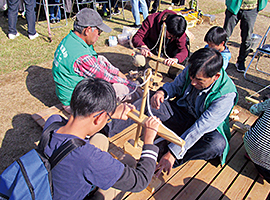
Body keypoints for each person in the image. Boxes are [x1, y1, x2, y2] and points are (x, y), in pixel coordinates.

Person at [106, 48, 238, 175]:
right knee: (148, 100)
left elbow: (200, 128)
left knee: (216, 144)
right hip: (181, 114)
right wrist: (162, 92)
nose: (192, 83)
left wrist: (173, 153)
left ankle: (164, 156)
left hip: (203, 130)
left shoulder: (226, 95)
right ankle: (106, 130)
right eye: (191, 78)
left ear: (216, 76)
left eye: (199, 80)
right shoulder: (193, 69)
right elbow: (175, 86)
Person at [43, 78, 160, 199]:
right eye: (106, 117)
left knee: (100, 139)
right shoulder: (90, 158)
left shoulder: (53, 121)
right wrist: (149, 140)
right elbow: (141, 181)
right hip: (78, 192)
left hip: (55, 184)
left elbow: (81, 129)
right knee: (129, 162)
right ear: (98, 118)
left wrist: (110, 114)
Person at [52, 8, 140, 113]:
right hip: (74, 102)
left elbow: (98, 62)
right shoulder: (82, 57)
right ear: (88, 30)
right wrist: (130, 84)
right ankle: (139, 99)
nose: (99, 35)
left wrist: (119, 73)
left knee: (101, 59)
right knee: (119, 89)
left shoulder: (72, 39)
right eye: (99, 31)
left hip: (70, 89)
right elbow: (105, 77)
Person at [132, 10, 189, 77]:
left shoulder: (178, 29)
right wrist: (142, 46)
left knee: (182, 58)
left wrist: (176, 59)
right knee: (138, 59)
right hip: (150, 48)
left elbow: (184, 51)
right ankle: (143, 68)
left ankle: (172, 74)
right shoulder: (151, 20)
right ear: (165, 25)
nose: (170, 38)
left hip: (168, 50)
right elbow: (136, 37)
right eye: (170, 36)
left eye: (173, 37)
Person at [244, 94, 270, 186]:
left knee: (262, 118)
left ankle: (251, 155)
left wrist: (263, 104)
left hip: (250, 145)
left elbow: (254, 110)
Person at [223, 0, 268, 72]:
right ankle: (219, 58)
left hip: (251, 9)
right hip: (234, 5)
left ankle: (241, 61)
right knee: (225, 35)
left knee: (247, 38)